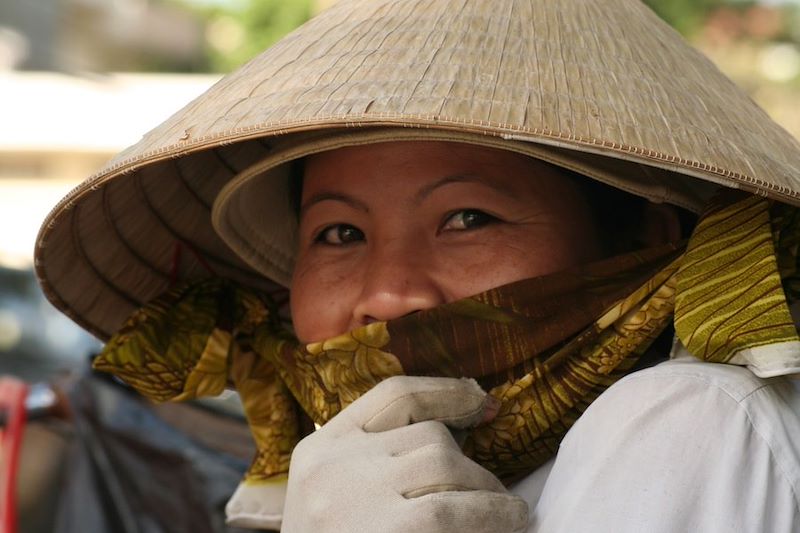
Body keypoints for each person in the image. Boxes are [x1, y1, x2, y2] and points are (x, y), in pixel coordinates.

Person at [35, 0, 800, 531]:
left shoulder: (686, 420)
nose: (389, 292)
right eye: (338, 234)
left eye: (468, 219)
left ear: (643, 243)